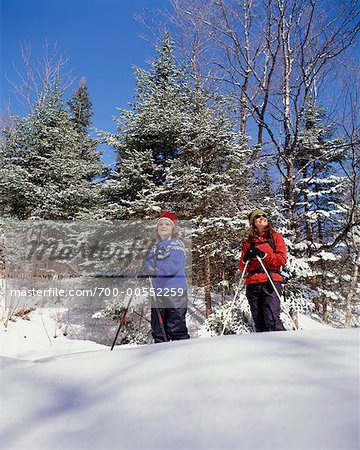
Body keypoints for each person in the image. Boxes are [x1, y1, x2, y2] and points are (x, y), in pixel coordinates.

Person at [145, 211, 190, 343]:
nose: (163, 227)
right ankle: (161, 355)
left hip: (175, 291)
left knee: (176, 327)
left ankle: (182, 353)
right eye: (160, 224)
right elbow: (148, 263)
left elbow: (173, 265)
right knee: (158, 329)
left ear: (173, 229)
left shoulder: (177, 245)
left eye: (167, 224)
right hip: (158, 292)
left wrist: (156, 270)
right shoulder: (154, 248)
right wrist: (146, 269)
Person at [239, 208, 286, 332]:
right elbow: (242, 267)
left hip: (270, 281)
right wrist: (246, 258)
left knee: (271, 318)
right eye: (258, 216)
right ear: (253, 222)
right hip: (253, 283)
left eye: (264, 215)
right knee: (259, 321)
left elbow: (281, 260)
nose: (262, 217)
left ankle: (286, 348)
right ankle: (265, 350)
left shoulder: (275, 237)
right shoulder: (248, 243)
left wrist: (264, 255)